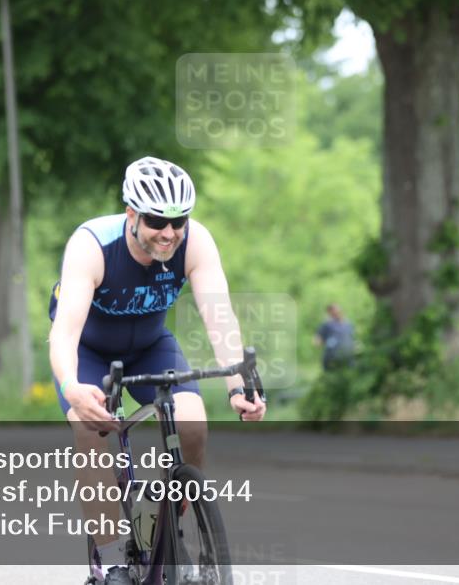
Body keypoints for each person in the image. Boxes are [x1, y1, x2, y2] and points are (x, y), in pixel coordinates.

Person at [48, 156, 266, 585]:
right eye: (155, 221)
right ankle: (110, 561)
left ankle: (171, 520)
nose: (168, 233)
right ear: (131, 214)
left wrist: (238, 384)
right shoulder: (92, 245)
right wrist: (73, 387)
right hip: (90, 352)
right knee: (89, 430)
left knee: (193, 424)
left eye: (178, 221)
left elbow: (218, 316)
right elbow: (65, 333)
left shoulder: (195, 242)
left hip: (150, 346)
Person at [314, 303, 356, 371]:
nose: (338, 313)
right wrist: (328, 342)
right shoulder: (326, 324)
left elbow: (353, 338)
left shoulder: (348, 324)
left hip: (348, 358)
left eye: (339, 311)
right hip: (332, 358)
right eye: (335, 311)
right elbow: (317, 341)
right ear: (330, 313)